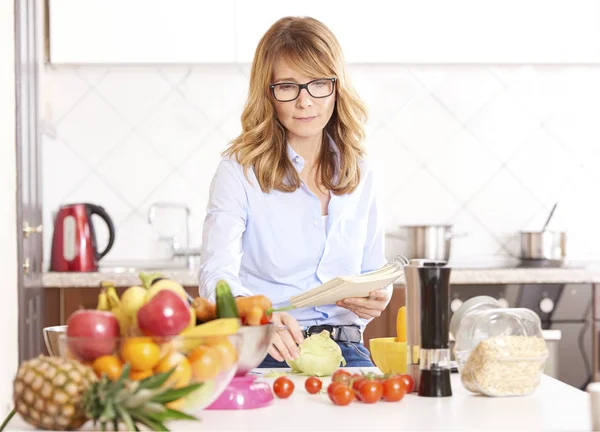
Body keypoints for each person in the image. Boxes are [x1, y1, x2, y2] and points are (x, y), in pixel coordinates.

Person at [197, 16, 392, 368]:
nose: (305, 102)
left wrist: (378, 296)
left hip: (347, 351)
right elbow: (216, 278)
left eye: (318, 83)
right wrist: (257, 320)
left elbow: (374, 271)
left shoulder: (361, 171)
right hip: (270, 348)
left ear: (336, 87)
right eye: (287, 86)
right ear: (268, 93)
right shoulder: (239, 171)